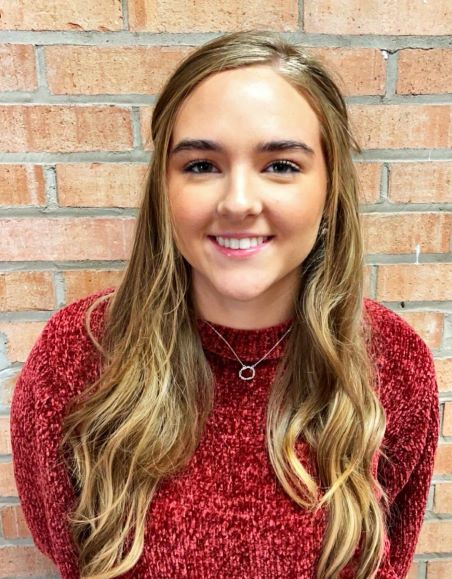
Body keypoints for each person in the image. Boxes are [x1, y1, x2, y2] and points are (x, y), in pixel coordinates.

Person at [10, 30, 439, 579]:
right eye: (201, 165)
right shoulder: (77, 355)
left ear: (330, 190)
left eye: (281, 165)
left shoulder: (393, 362)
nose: (238, 202)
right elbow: (67, 550)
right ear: (164, 190)